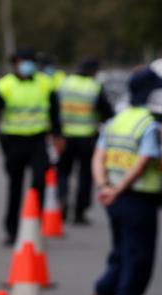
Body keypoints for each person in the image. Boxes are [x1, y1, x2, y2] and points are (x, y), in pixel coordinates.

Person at [80, 66, 162, 295]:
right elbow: (142, 163)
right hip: (138, 199)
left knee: (121, 253)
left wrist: (104, 187)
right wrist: (116, 190)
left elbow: (98, 156)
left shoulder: (118, 119)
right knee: (138, 257)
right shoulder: (149, 124)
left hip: (114, 199)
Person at [0, 48, 65, 245]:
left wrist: (58, 135)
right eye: (22, 61)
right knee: (15, 186)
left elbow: (55, 112)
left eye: (29, 61)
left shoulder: (45, 83)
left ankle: (32, 225)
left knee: (39, 181)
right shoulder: (4, 85)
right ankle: (12, 231)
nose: (26, 65)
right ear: (15, 63)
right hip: (13, 142)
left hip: (38, 140)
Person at [57, 58, 114, 224]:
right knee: (85, 176)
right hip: (87, 137)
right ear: (93, 71)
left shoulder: (65, 83)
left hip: (65, 137)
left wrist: (56, 133)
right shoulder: (94, 87)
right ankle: (80, 211)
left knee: (63, 171)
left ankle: (62, 198)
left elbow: (55, 109)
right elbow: (107, 113)